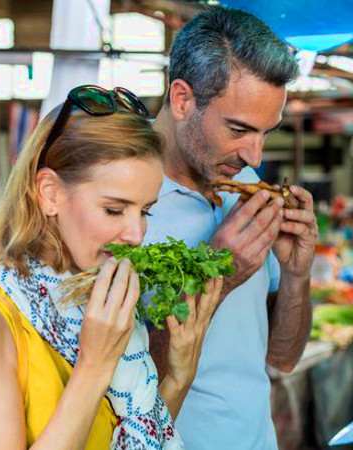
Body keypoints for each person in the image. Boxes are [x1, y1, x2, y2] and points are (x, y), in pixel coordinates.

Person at [0, 85, 223, 450]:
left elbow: (131, 437)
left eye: (145, 210)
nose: (136, 233)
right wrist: (94, 366)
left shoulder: (103, 306)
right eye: (114, 210)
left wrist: (179, 378)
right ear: (50, 193)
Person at [144, 7, 316, 450]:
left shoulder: (242, 185)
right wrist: (216, 274)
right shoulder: (119, 201)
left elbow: (282, 357)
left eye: (266, 132)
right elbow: (114, 381)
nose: (255, 156)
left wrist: (297, 274)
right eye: (238, 129)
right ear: (182, 100)